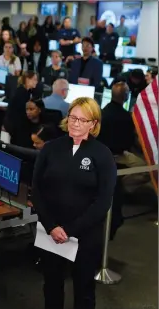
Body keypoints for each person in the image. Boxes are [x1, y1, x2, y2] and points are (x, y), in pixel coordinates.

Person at [32, 97, 116, 309]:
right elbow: (37, 190)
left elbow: (103, 200)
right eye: (72, 117)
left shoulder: (102, 155)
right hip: (50, 231)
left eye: (82, 119)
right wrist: (51, 226)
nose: (75, 123)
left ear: (93, 124)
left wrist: (69, 229)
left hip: (85, 234)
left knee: (84, 289)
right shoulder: (51, 149)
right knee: (51, 284)